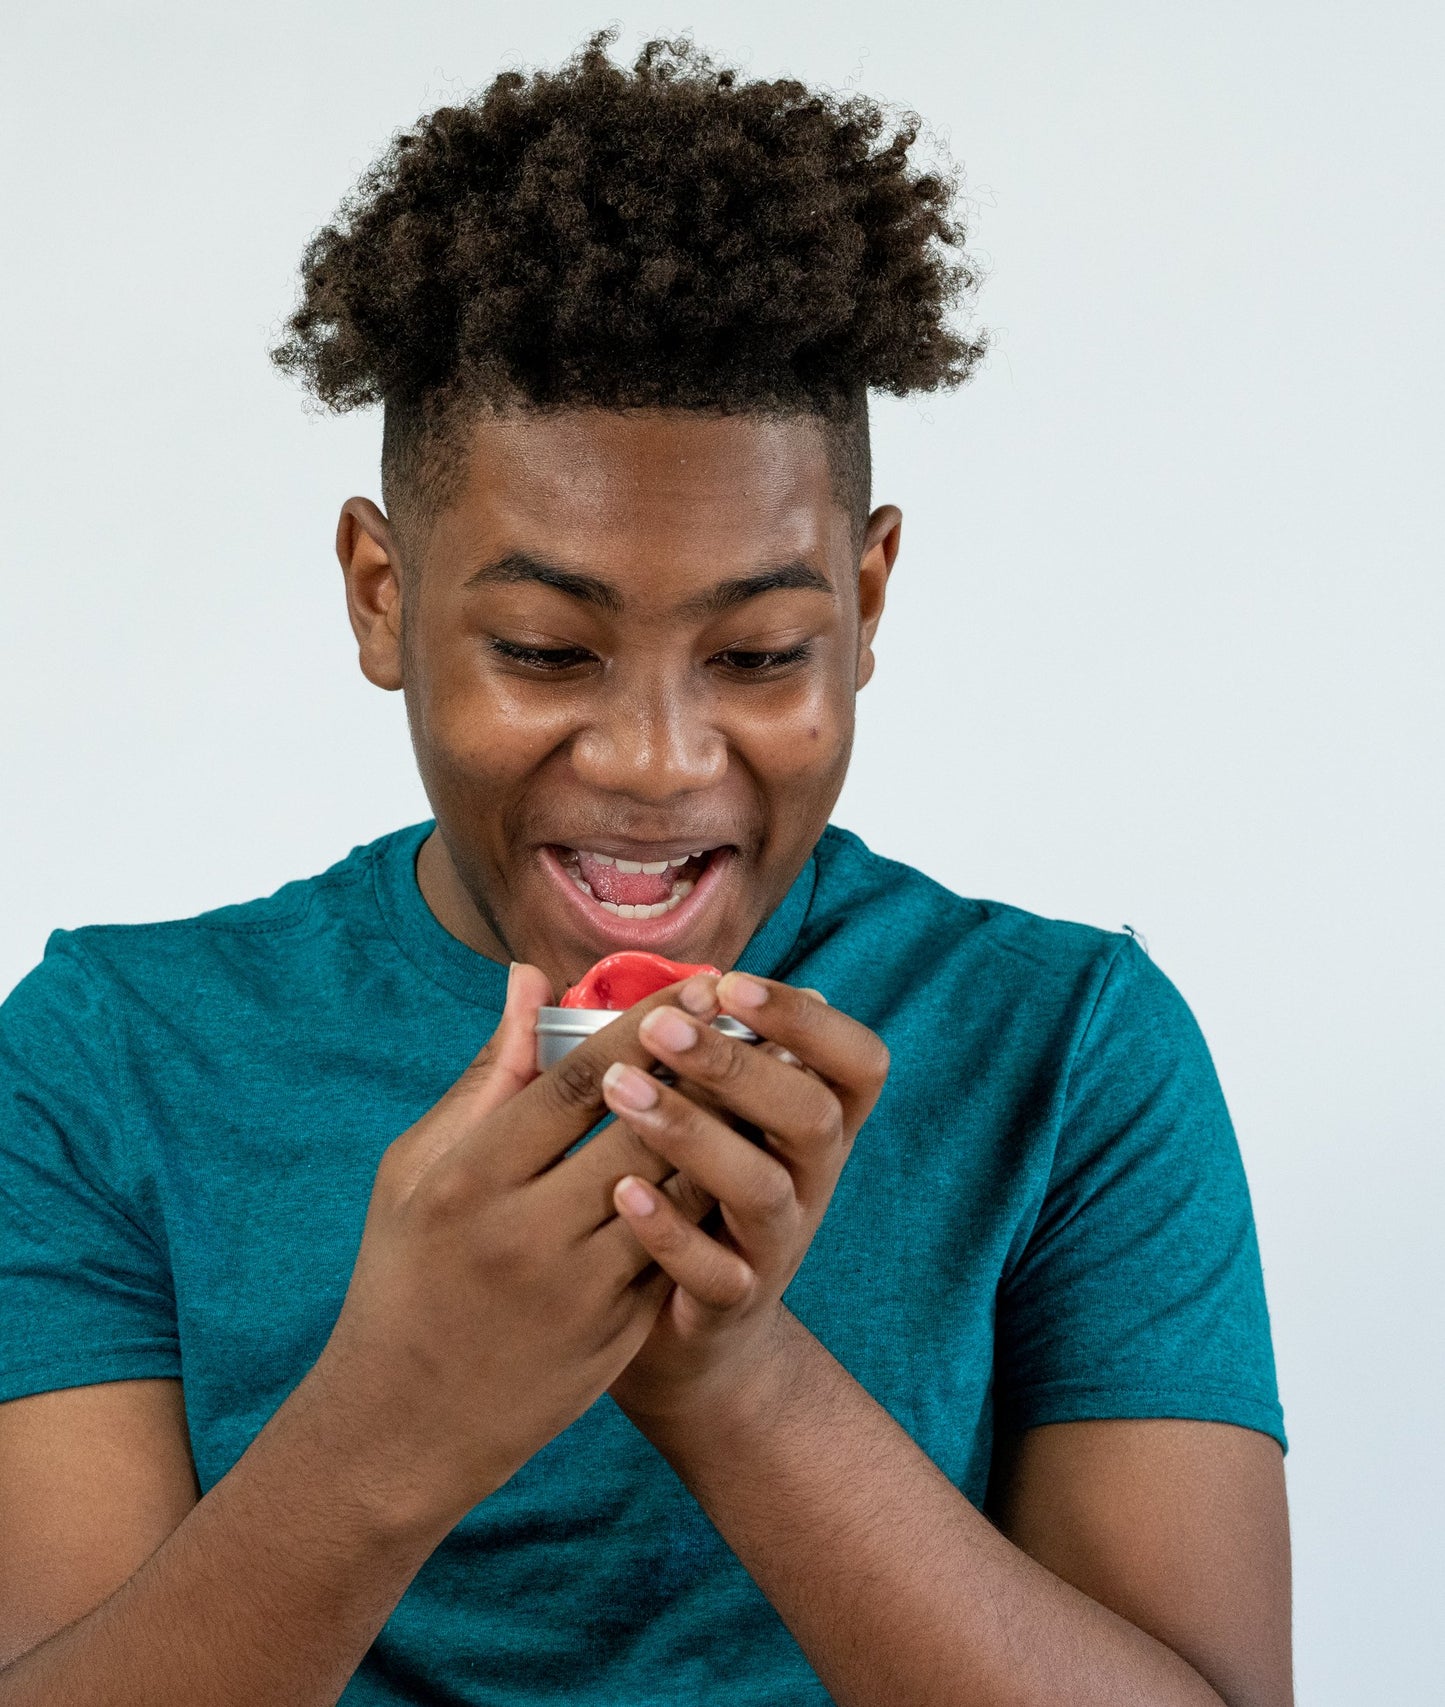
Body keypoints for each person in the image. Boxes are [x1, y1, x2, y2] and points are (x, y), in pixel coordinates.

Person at [0, 32, 1290, 1707]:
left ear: (869, 599)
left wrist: (735, 1379)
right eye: (546, 649)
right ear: (382, 596)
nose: (659, 762)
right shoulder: (110, 1056)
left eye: (758, 654)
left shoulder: (1067, 1045)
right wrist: (390, 1422)